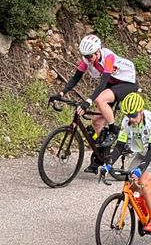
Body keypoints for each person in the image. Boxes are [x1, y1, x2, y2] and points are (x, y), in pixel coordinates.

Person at [52, 34, 139, 172]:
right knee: (97, 123)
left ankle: (113, 130)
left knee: (99, 99)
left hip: (127, 84)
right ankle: (101, 157)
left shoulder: (108, 57)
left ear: (98, 52)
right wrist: (61, 93)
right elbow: (75, 78)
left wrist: (88, 101)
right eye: (85, 57)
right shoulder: (87, 59)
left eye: (90, 56)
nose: (88, 59)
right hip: (112, 84)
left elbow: (103, 82)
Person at [101, 93, 151, 233]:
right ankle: (144, 212)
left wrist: (140, 169)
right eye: (129, 116)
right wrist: (108, 164)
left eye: (134, 115)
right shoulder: (126, 122)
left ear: (141, 111)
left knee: (144, 182)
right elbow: (120, 146)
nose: (132, 119)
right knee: (131, 185)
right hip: (142, 153)